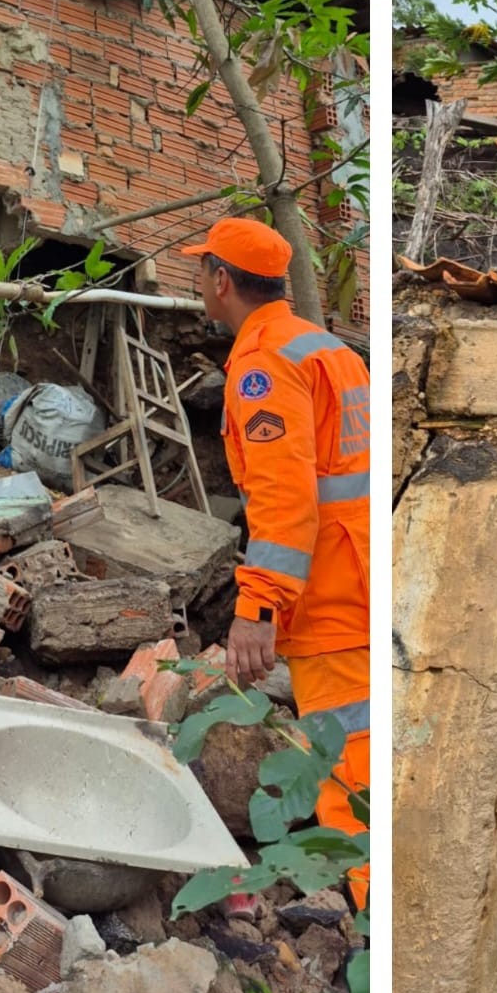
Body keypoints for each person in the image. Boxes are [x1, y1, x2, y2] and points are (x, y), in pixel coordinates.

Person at [181, 216, 371, 907]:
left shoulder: (264, 366)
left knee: (352, 781)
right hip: (363, 579)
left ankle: (377, 943)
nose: (198, 280)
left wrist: (258, 610)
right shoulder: (328, 348)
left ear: (222, 282)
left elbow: (287, 501)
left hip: (332, 605)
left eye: (201, 269)